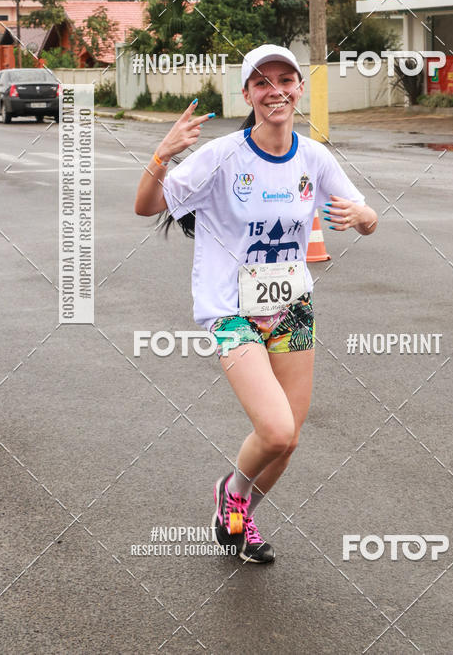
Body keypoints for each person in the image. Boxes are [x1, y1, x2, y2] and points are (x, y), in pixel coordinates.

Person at [134, 44, 378, 564]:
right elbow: (146, 205)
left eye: (285, 80)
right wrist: (163, 153)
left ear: (298, 89)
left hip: (292, 307)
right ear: (247, 94)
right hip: (231, 309)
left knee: (288, 443)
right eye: (262, 83)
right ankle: (233, 492)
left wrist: (362, 216)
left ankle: (241, 515)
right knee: (276, 429)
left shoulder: (314, 156)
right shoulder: (223, 156)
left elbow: (367, 213)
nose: (276, 91)